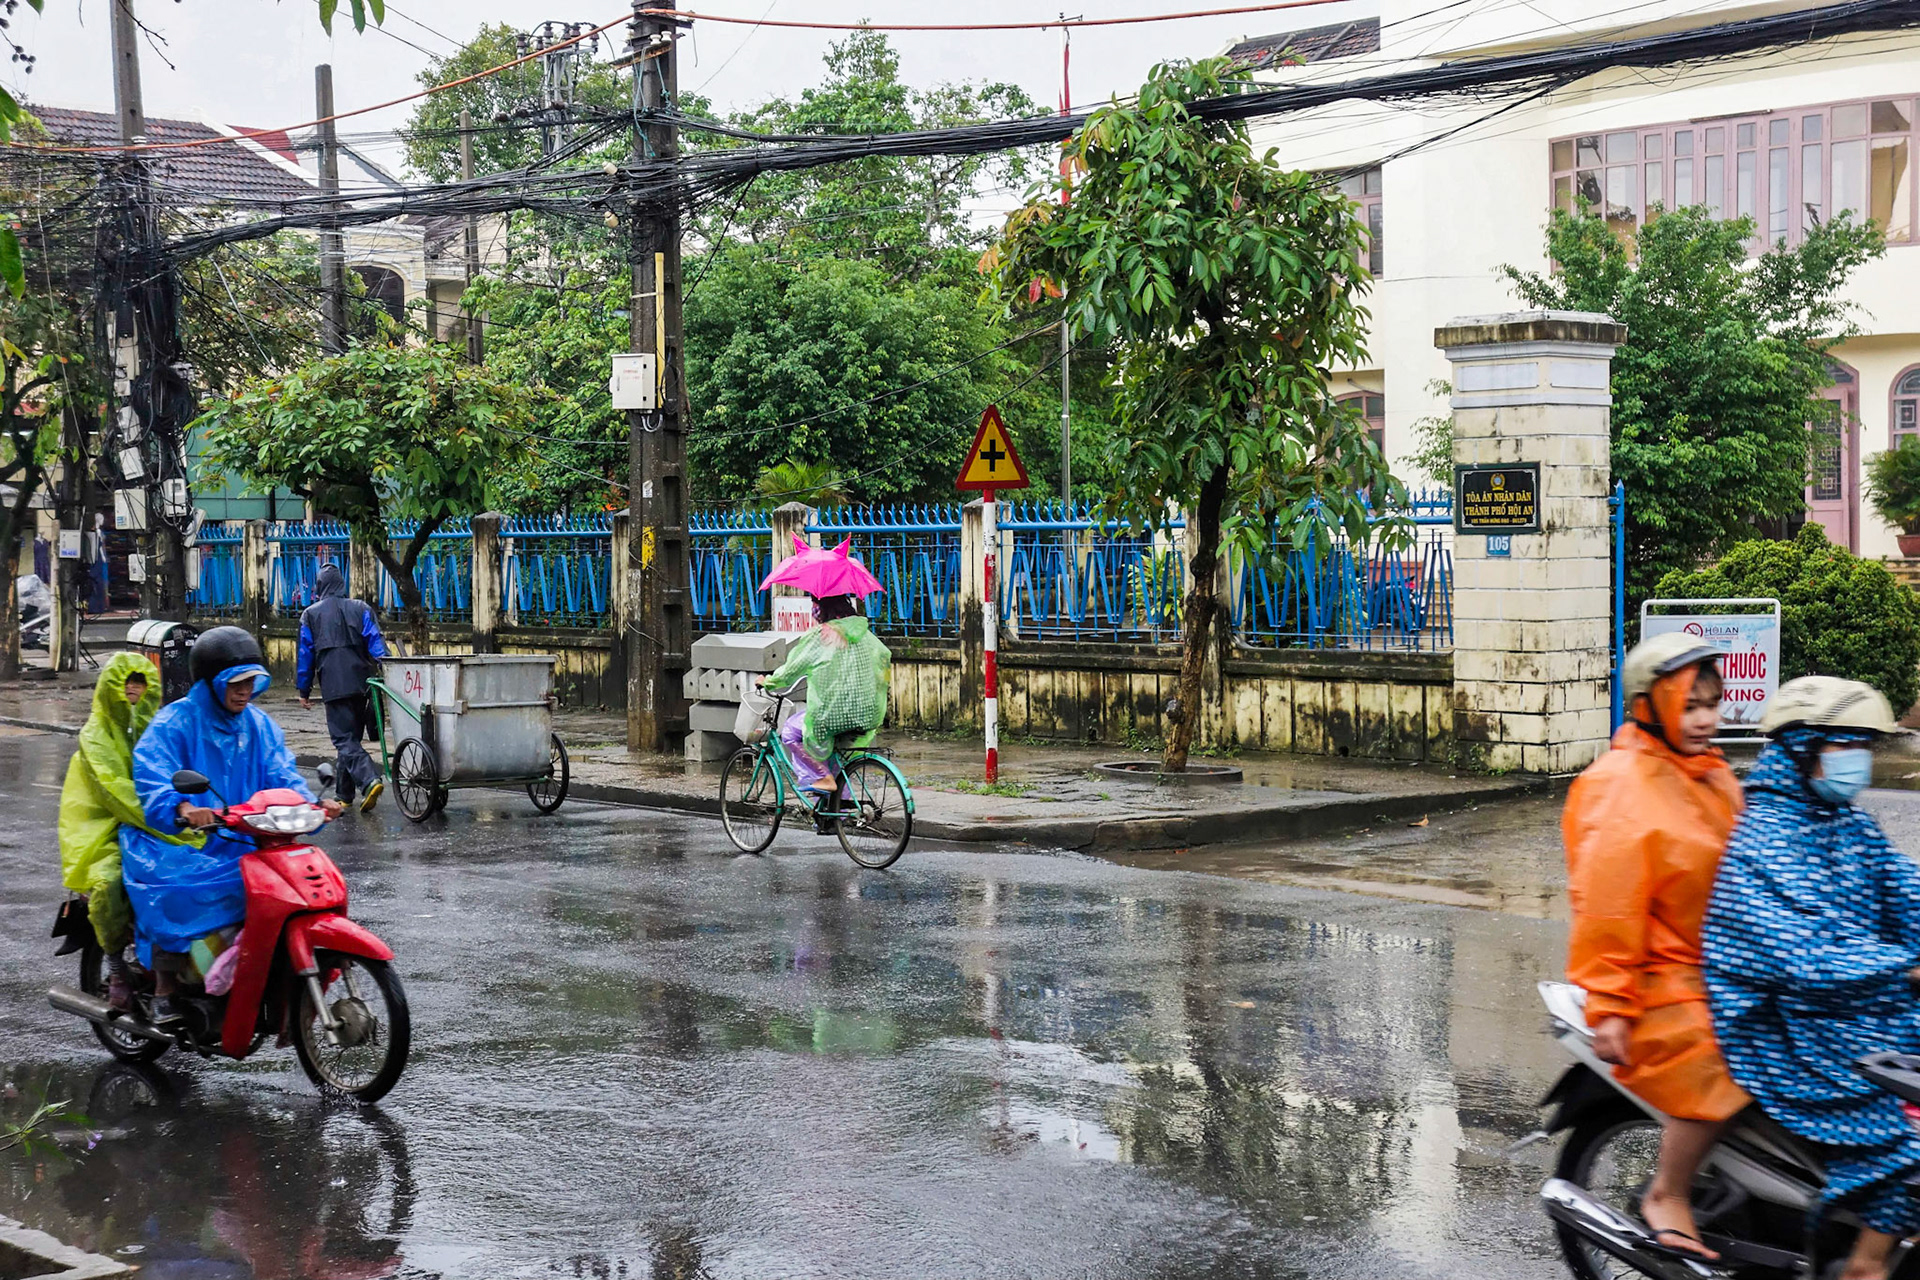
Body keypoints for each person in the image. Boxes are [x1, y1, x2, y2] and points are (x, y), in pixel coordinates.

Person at [1703, 677, 1919, 1280]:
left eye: (1865, 745)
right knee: (1911, 1144)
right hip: (1786, 1030)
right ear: (1802, 747)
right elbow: (1802, 961)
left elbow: (1902, 890)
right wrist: (1904, 965)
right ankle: (1866, 1266)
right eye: (1848, 744)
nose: (1861, 759)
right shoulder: (1761, 841)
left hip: (1858, 1010)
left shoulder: (1846, 822)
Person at [1561, 631, 1748, 1259]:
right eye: (1688, 705)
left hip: (1722, 963)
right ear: (1649, 705)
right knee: (1725, 1058)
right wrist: (1609, 1004)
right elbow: (1608, 909)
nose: (1705, 719)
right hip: (1657, 978)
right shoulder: (1622, 787)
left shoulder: (1711, 774)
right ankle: (1667, 1191)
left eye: (1712, 703)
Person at [120, 626, 342, 1024]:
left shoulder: (259, 726)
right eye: (234, 683)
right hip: (181, 843)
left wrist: (312, 803)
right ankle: (165, 988)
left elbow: (282, 775)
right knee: (177, 890)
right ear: (210, 683)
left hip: (245, 837)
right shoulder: (174, 723)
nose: (244, 690)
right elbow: (152, 774)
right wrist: (183, 806)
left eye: (250, 682)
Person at [56, 652, 194, 1010]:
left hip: (152, 822)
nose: (134, 689)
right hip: (103, 829)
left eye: (141, 682)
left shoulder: (157, 728)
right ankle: (117, 967)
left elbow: (176, 770)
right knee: (111, 885)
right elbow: (116, 791)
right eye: (127, 682)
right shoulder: (95, 736)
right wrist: (172, 822)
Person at [759, 592, 891, 801]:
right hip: (867, 713)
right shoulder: (864, 634)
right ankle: (839, 808)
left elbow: (792, 669)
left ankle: (822, 777)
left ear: (822, 606)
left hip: (832, 715)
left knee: (790, 733)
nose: (813, 610)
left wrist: (768, 681)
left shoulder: (822, 635)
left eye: (814, 604)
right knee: (835, 760)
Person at [296, 563, 388, 812]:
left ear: (320, 586)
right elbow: (376, 642)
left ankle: (369, 780)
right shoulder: (361, 608)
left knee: (343, 740)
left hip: (334, 686)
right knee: (352, 739)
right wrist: (389, 670)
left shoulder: (310, 615)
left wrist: (304, 690)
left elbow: (306, 656)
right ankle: (344, 794)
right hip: (362, 684)